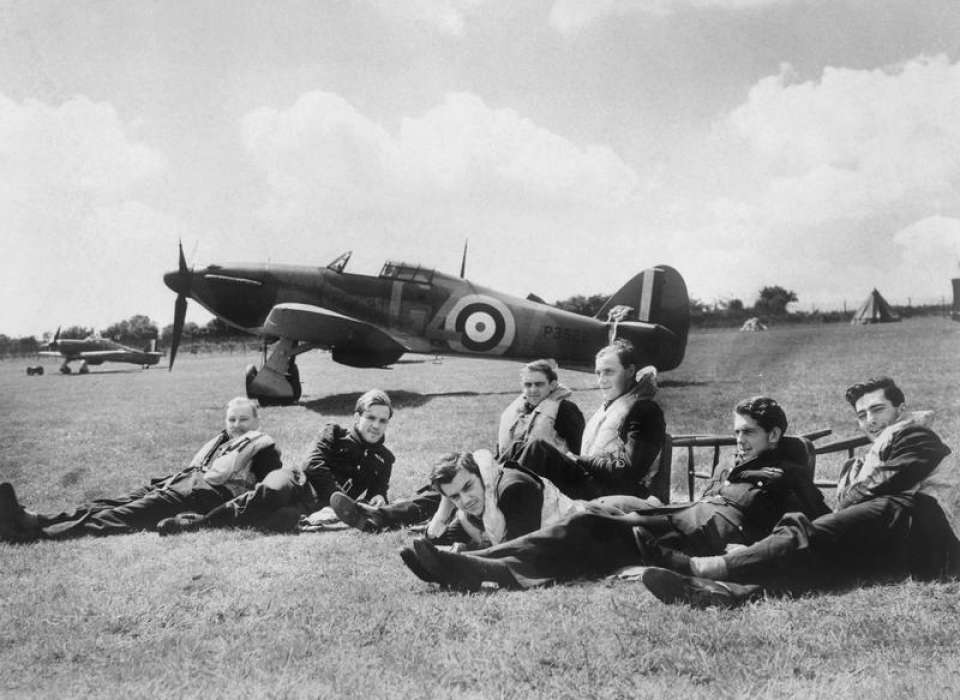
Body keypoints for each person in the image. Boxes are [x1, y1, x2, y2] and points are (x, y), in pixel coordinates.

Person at [400, 397, 829, 591]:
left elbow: (815, 525)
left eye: (748, 434)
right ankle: (475, 567)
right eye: (736, 432)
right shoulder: (735, 465)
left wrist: (746, 549)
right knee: (589, 526)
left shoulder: (787, 475)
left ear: (774, 434)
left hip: (703, 538)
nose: (739, 441)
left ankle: (472, 567)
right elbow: (703, 503)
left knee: (589, 529)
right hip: (681, 519)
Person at [642, 377, 960, 608]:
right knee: (816, 558)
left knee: (812, 529)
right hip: (899, 545)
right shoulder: (881, 447)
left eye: (878, 410)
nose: (870, 421)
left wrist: (843, 505)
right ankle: (727, 591)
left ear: (900, 408)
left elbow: (878, 488)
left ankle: (701, 566)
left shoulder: (917, 436)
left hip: (928, 530)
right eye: (862, 415)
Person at [329, 360, 585, 533]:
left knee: (456, 488)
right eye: (527, 385)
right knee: (445, 482)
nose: (531, 390)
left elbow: (575, 457)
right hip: (507, 471)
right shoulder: (523, 410)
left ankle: (382, 516)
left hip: (532, 486)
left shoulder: (565, 411)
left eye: (539, 384)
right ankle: (380, 515)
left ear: (553, 385)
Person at [0, 397, 282, 542]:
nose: (236, 425)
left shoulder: (264, 449)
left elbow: (271, 488)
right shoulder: (225, 440)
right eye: (231, 419)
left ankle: (33, 535)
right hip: (182, 483)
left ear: (257, 422)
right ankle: (33, 518)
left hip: (204, 496)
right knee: (112, 502)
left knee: (121, 515)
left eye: (244, 419)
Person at [155, 389, 395, 534]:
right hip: (296, 480)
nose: (375, 425)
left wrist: (379, 497)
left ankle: (226, 518)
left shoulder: (384, 459)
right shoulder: (333, 432)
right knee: (272, 492)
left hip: (313, 505)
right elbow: (312, 464)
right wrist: (337, 498)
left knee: (282, 518)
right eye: (370, 417)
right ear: (357, 417)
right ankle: (198, 523)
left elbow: (379, 490)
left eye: (382, 421)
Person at [512, 339, 665, 500]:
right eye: (598, 373)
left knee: (538, 450)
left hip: (619, 492)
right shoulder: (611, 406)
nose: (602, 380)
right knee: (520, 449)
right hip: (595, 483)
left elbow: (628, 470)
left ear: (630, 371)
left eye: (609, 372)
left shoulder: (645, 410)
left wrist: (580, 460)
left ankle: (502, 506)